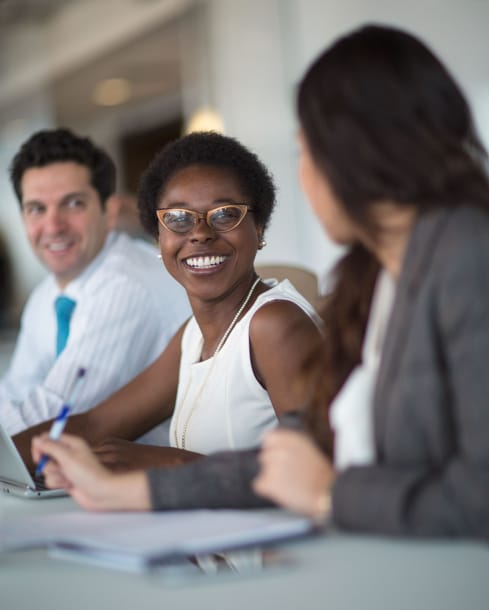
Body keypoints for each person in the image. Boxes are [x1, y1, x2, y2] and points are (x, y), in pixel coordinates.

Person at [33, 24, 489, 539]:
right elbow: (291, 454)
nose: (304, 176)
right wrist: (125, 491)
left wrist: (329, 493)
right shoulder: (380, 278)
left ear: (357, 150)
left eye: (305, 153)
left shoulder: (468, 257)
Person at [23, 130, 322, 473]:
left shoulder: (276, 324)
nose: (200, 233)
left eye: (225, 214)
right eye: (178, 218)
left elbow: (316, 470)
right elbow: (96, 425)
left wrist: (170, 461)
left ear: (260, 227)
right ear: (159, 236)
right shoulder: (192, 335)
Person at [2, 128, 190, 444]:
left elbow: (54, 421)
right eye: (37, 208)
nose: (53, 226)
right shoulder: (46, 294)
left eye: (73, 203)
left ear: (110, 211)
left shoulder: (125, 285)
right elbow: (15, 392)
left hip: (158, 479)